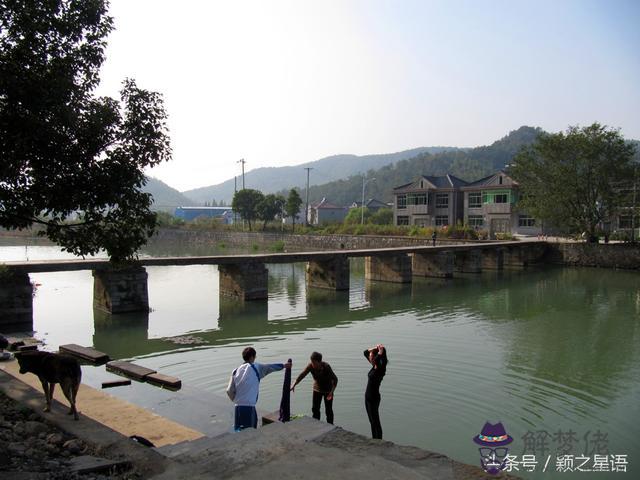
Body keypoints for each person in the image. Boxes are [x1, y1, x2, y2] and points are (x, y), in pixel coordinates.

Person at [226, 346, 291, 431]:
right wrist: (284, 365)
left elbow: (228, 390)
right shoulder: (256, 367)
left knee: (239, 432)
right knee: (251, 432)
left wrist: (237, 400)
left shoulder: (235, 370)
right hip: (249, 407)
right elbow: (270, 367)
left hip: (237, 407)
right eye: (255, 356)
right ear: (252, 357)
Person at [290, 351, 338, 424]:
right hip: (317, 390)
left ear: (319, 362)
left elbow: (335, 379)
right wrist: (294, 383)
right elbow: (302, 374)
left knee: (328, 410)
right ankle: (315, 424)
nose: (313, 364)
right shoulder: (310, 366)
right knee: (315, 409)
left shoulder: (326, 367)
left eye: (314, 363)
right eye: (312, 362)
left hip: (328, 391)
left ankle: (331, 426)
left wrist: (331, 392)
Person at [364, 344, 388, 439]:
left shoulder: (381, 368)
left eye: (371, 357)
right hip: (368, 398)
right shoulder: (374, 365)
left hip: (374, 398)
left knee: (375, 421)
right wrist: (375, 348)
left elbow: (378, 359)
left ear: (376, 357)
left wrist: (380, 352)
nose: (369, 359)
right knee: (372, 421)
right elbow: (365, 352)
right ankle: (374, 439)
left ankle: (379, 440)